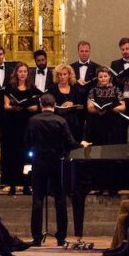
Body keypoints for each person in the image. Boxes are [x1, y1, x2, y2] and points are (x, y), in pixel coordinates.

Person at [25, 93, 82, 247]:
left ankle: (36, 237)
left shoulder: (33, 120)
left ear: (40, 104)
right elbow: (70, 142)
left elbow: (28, 142)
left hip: (39, 163)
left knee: (37, 200)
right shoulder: (61, 120)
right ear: (54, 104)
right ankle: (61, 237)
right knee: (60, 199)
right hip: (58, 164)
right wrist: (81, 144)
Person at [2, 61, 39, 194]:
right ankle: (12, 184)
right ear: (16, 73)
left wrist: (27, 106)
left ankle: (26, 185)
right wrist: (13, 107)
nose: (22, 74)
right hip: (12, 124)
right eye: (20, 71)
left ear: (27, 73)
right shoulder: (10, 87)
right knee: (13, 154)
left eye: (25, 71)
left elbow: (35, 107)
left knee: (27, 154)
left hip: (27, 124)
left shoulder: (32, 88)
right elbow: (5, 105)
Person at [86, 66, 126, 145]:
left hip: (113, 123)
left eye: (105, 76)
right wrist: (98, 110)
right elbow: (89, 107)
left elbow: (123, 107)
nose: (103, 78)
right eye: (100, 77)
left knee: (113, 147)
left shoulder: (116, 89)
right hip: (98, 122)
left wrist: (109, 108)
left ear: (109, 77)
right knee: (98, 146)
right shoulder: (93, 90)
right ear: (97, 78)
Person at [51, 63, 85, 141]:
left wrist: (72, 104)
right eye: (60, 75)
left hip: (74, 122)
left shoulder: (75, 88)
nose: (62, 77)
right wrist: (60, 107)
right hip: (58, 122)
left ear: (69, 75)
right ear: (57, 76)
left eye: (65, 74)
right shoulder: (52, 89)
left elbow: (81, 105)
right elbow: (49, 106)